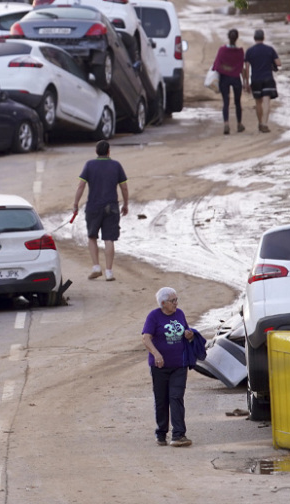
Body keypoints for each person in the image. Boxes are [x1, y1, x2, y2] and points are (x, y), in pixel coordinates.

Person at [141, 287, 195, 448]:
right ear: (163, 303)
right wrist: (156, 354)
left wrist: (189, 334)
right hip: (160, 366)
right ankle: (161, 433)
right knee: (162, 400)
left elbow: (186, 330)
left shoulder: (180, 314)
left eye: (176, 300)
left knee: (176, 397)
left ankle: (179, 435)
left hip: (179, 365)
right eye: (173, 301)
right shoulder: (154, 316)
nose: (176, 303)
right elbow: (146, 338)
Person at [71, 140, 129, 282]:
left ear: (96, 151)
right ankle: (109, 272)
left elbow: (81, 186)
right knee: (109, 239)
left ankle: (96, 267)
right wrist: (126, 204)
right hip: (111, 207)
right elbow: (124, 187)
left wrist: (76, 203)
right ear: (109, 151)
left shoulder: (89, 165)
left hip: (93, 207)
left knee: (92, 237)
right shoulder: (116, 165)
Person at [243, 29, 281, 133]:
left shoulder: (250, 51)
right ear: (263, 38)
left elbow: (246, 68)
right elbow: (278, 63)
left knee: (258, 103)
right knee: (266, 102)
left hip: (255, 79)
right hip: (268, 78)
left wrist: (246, 83)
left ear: (254, 38)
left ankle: (260, 123)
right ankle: (264, 124)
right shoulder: (270, 49)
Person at [211, 28, 245, 134]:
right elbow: (241, 67)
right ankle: (239, 124)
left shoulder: (222, 50)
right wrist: (245, 82)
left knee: (226, 102)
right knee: (237, 102)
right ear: (237, 38)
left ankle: (226, 124)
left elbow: (217, 65)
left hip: (224, 78)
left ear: (228, 37)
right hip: (236, 78)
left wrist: (225, 69)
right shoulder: (240, 52)